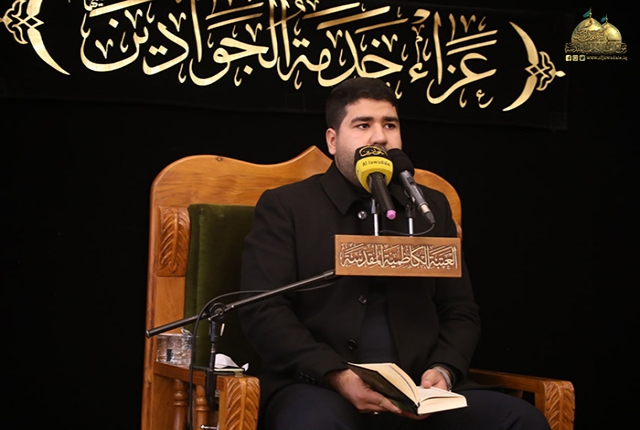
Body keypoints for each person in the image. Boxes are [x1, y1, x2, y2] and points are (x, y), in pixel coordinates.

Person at [237, 77, 550, 430]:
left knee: (521, 420)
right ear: (332, 140)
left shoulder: (429, 209)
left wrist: (444, 369)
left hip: (420, 391)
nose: (380, 137)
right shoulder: (287, 207)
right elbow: (263, 310)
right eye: (363, 125)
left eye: (390, 125)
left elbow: (460, 310)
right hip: (320, 386)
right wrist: (337, 375)